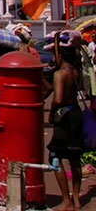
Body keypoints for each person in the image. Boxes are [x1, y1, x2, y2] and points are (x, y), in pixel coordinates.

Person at [46, 30, 85, 211]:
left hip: (64, 116)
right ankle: (76, 198)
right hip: (76, 113)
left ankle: (65, 199)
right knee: (75, 158)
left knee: (55, 157)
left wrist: (51, 112)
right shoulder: (75, 71)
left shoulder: (60, 74)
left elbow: (59, 98)